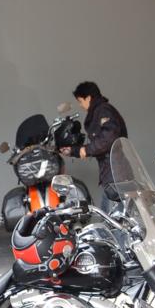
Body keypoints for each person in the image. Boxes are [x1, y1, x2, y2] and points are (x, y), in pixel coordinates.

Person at [60, 81, 128, 215]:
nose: (80, 105)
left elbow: (108, 138)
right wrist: (74, 151)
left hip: (115, 173)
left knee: (114, 218)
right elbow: (99, 142)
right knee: (109, 215)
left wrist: (85, 150)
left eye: (80, 101)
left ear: (88, 98)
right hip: (111, 172)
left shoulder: (103, 110)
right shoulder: (100, 111)